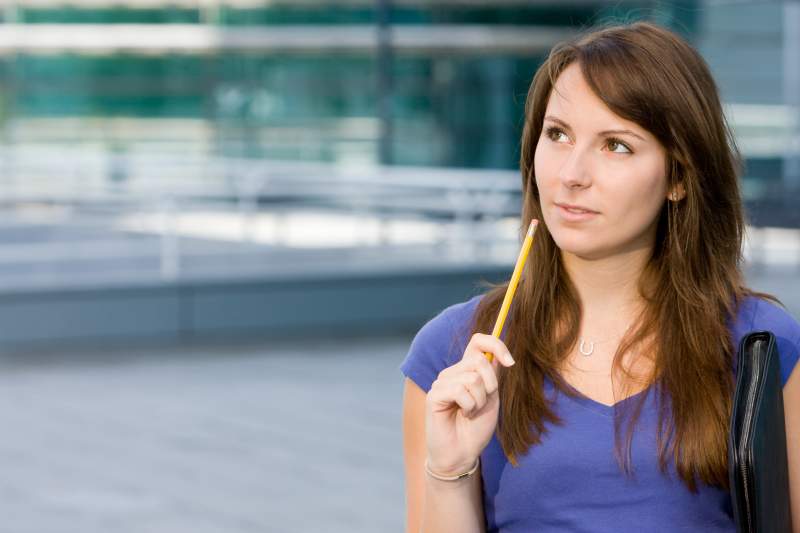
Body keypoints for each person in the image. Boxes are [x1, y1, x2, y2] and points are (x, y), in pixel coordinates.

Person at [399, 20, 800, 533]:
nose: (571, 175)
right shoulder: (451, 354)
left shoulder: (761, 345)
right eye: (558, 135)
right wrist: (450, 472)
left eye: (616, 145)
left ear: (679, 177)